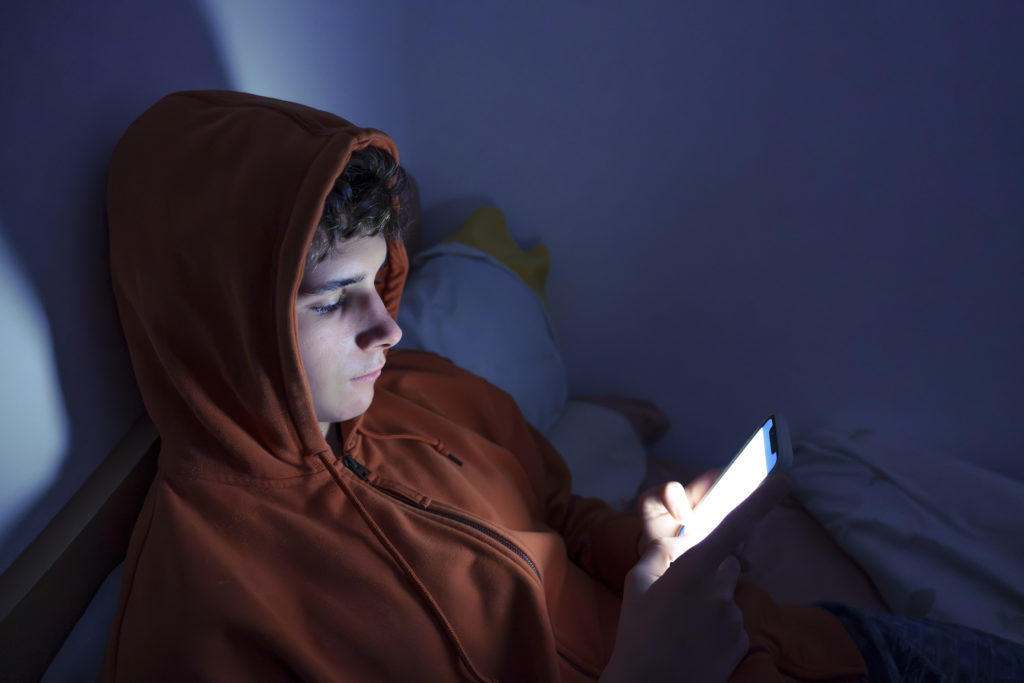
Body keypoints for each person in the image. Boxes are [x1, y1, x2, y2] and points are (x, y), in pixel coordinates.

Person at [103, 91, 1022, 682]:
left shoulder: (422, 390)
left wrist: (656, 549)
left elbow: (561, 510)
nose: (387, 326)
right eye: (334, 299)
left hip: (823, 647)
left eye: (379, 279)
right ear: (222, 317)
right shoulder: (200, 622)